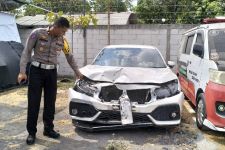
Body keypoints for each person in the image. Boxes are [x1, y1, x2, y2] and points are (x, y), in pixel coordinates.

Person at [17, 17, 83, 145]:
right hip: (36, 70)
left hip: (52, 73)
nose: (64, 34)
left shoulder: (63, 41)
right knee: (34, 102)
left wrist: (77, 72)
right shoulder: (37, 33)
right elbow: (27, 51)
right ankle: (31, 133)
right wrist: (22, 71)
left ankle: (48, 129)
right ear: (56, 27)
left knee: (50, 103)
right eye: (63, 31)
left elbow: (69, 57)